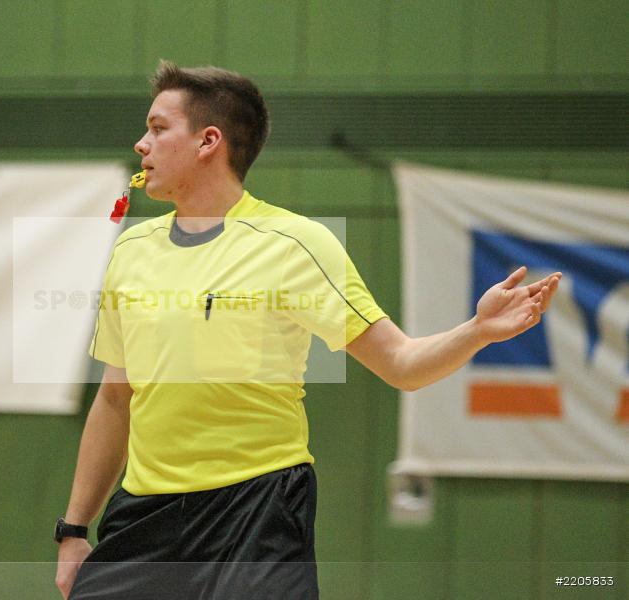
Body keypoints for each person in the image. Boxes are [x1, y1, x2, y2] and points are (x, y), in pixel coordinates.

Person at [54, 61, 561, 600]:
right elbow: (115, 400)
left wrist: (479, 330)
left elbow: (403, 365)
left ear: (208, 141)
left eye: (157, 128)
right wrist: (74, 530)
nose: (141, 144)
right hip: (145, 515)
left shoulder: (296, 243)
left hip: (257, 512)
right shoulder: (132, 248)